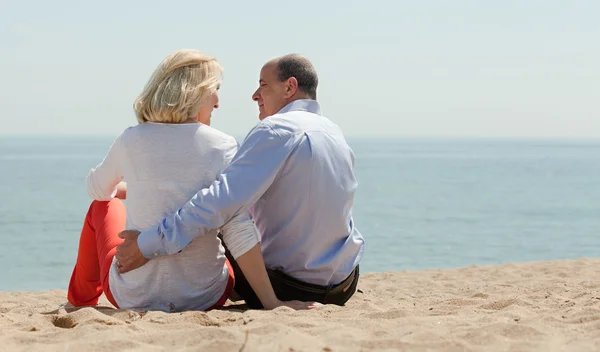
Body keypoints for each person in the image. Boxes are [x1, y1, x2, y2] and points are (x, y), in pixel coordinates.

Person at [67, 49, 314, 312]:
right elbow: (237, 227)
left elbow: (97, 189)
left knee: (102, 205)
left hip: (133, 296)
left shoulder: (131, 139)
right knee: (225, 217)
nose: (217, 101)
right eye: (214, 89)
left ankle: (81, 298)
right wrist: (272, 304)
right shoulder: (223, 145)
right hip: (206, 296)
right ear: (193, 93)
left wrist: (127, 188)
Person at [116, 54, 365, 308]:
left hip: (290, 287)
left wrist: (146, 245)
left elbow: (217, 203)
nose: (255, 95)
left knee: (223, 214)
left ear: (289, 87)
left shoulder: (276, 129)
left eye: (263, 85)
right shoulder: (334, 132)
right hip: (344, 285)